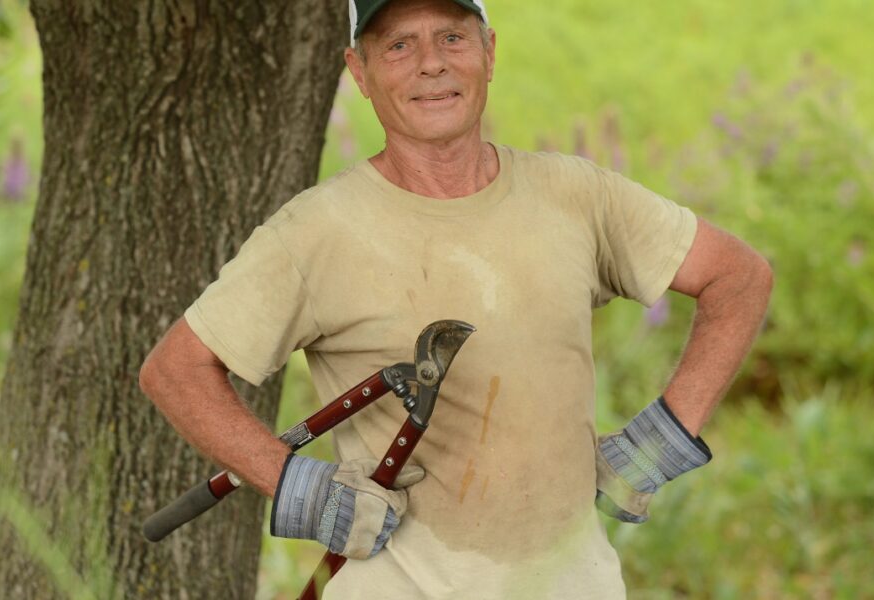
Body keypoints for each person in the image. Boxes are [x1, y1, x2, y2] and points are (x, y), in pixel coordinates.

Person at [138, 0, 773, 597]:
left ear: (489, 52)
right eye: (398, 45)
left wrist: (659, 445)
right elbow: (175, 370)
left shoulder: (576, 196)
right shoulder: (315, 233)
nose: (431, 63)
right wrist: (297, 487)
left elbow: (738, 277)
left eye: (451, 36)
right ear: (358, 71)